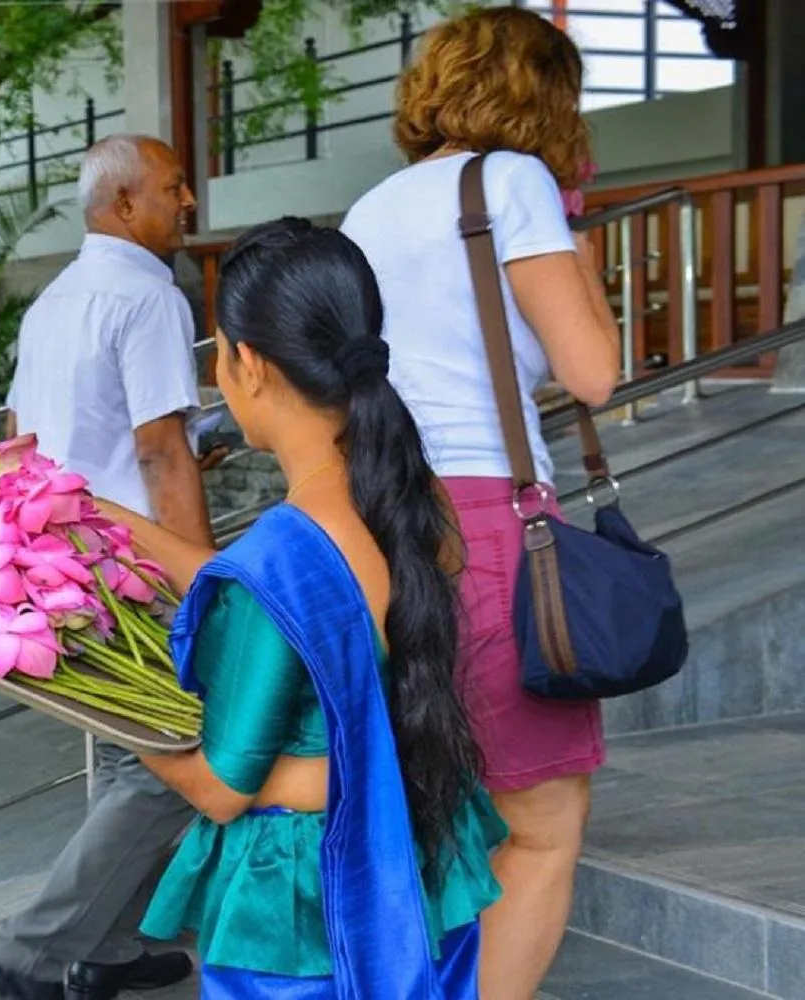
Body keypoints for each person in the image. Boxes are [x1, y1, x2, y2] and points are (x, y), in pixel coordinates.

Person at [101, 218, 505, 997]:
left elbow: (221, 785)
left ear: (247, 363)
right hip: (420, 842)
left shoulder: (280, 558)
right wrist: (106, 518)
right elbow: (292, 599)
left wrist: (99, 710)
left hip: (306, 893)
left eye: (218, 353)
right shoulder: (415, 503)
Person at [339, 9, 622, 999]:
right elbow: (594, 370)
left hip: (379, 521)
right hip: (487, 522)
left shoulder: (369, 210)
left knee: (430, 814)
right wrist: (578, 250)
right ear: (545, 96)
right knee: (542, 826)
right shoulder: (515, 183)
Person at [0, 134, 213, 1000]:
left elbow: (19, 441)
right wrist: (205, 578)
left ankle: (103, 949)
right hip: (134, 569)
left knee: (130, 764)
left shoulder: (56, 301)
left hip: (63, 569)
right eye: (173, 186)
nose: (188, 200)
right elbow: (158, 451)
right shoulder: (148, 294)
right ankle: (26, 956)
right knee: (187, 755)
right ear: (122, 205)